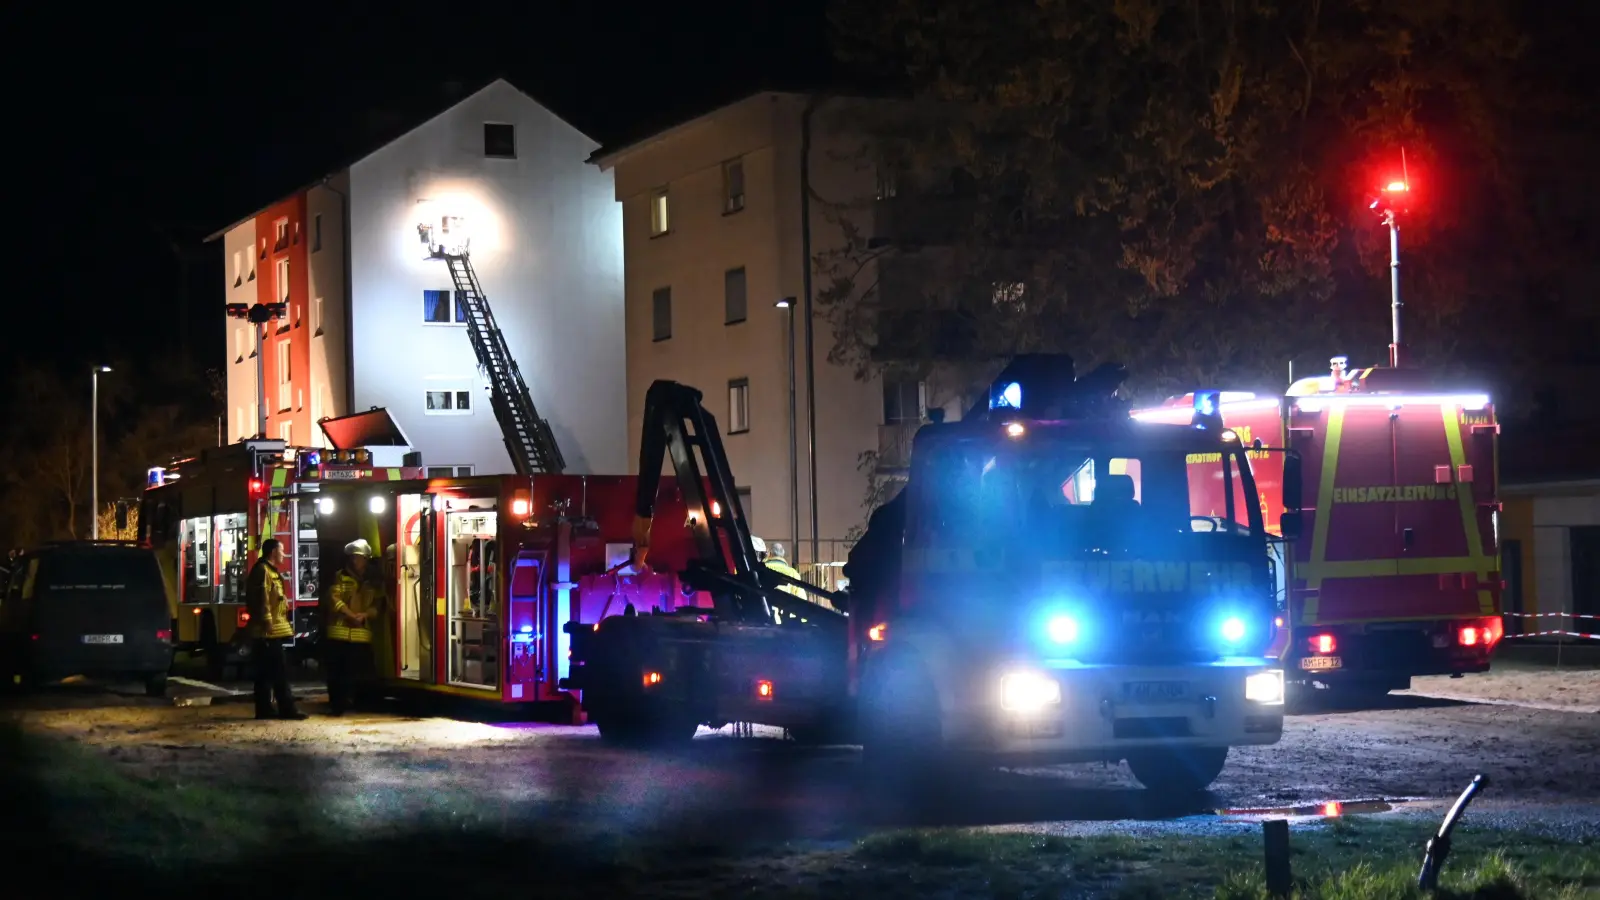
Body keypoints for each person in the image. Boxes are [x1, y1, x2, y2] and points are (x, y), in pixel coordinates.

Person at [245, 539, 305, 720]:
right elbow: (261, 599)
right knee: (279, 672)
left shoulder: (268, 571)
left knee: (264, 674)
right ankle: (287, 710)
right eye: (282, 550)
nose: (284, 554)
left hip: (268, 631)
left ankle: (264, 710)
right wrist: (267, 622)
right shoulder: (263, 571)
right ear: (272, 552)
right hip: (268, 632)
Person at [323, 539, 377, 715]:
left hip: (361, 634)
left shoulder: (371, 582)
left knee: (360, 672)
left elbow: (377, 605)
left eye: (359, 558)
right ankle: (337, 706)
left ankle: (359, 703)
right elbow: (333, 599)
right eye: (353, 557)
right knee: (337, 673)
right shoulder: (340, 576)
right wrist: (350, 615)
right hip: (339, 633)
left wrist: (365, 615)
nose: (356, 561)